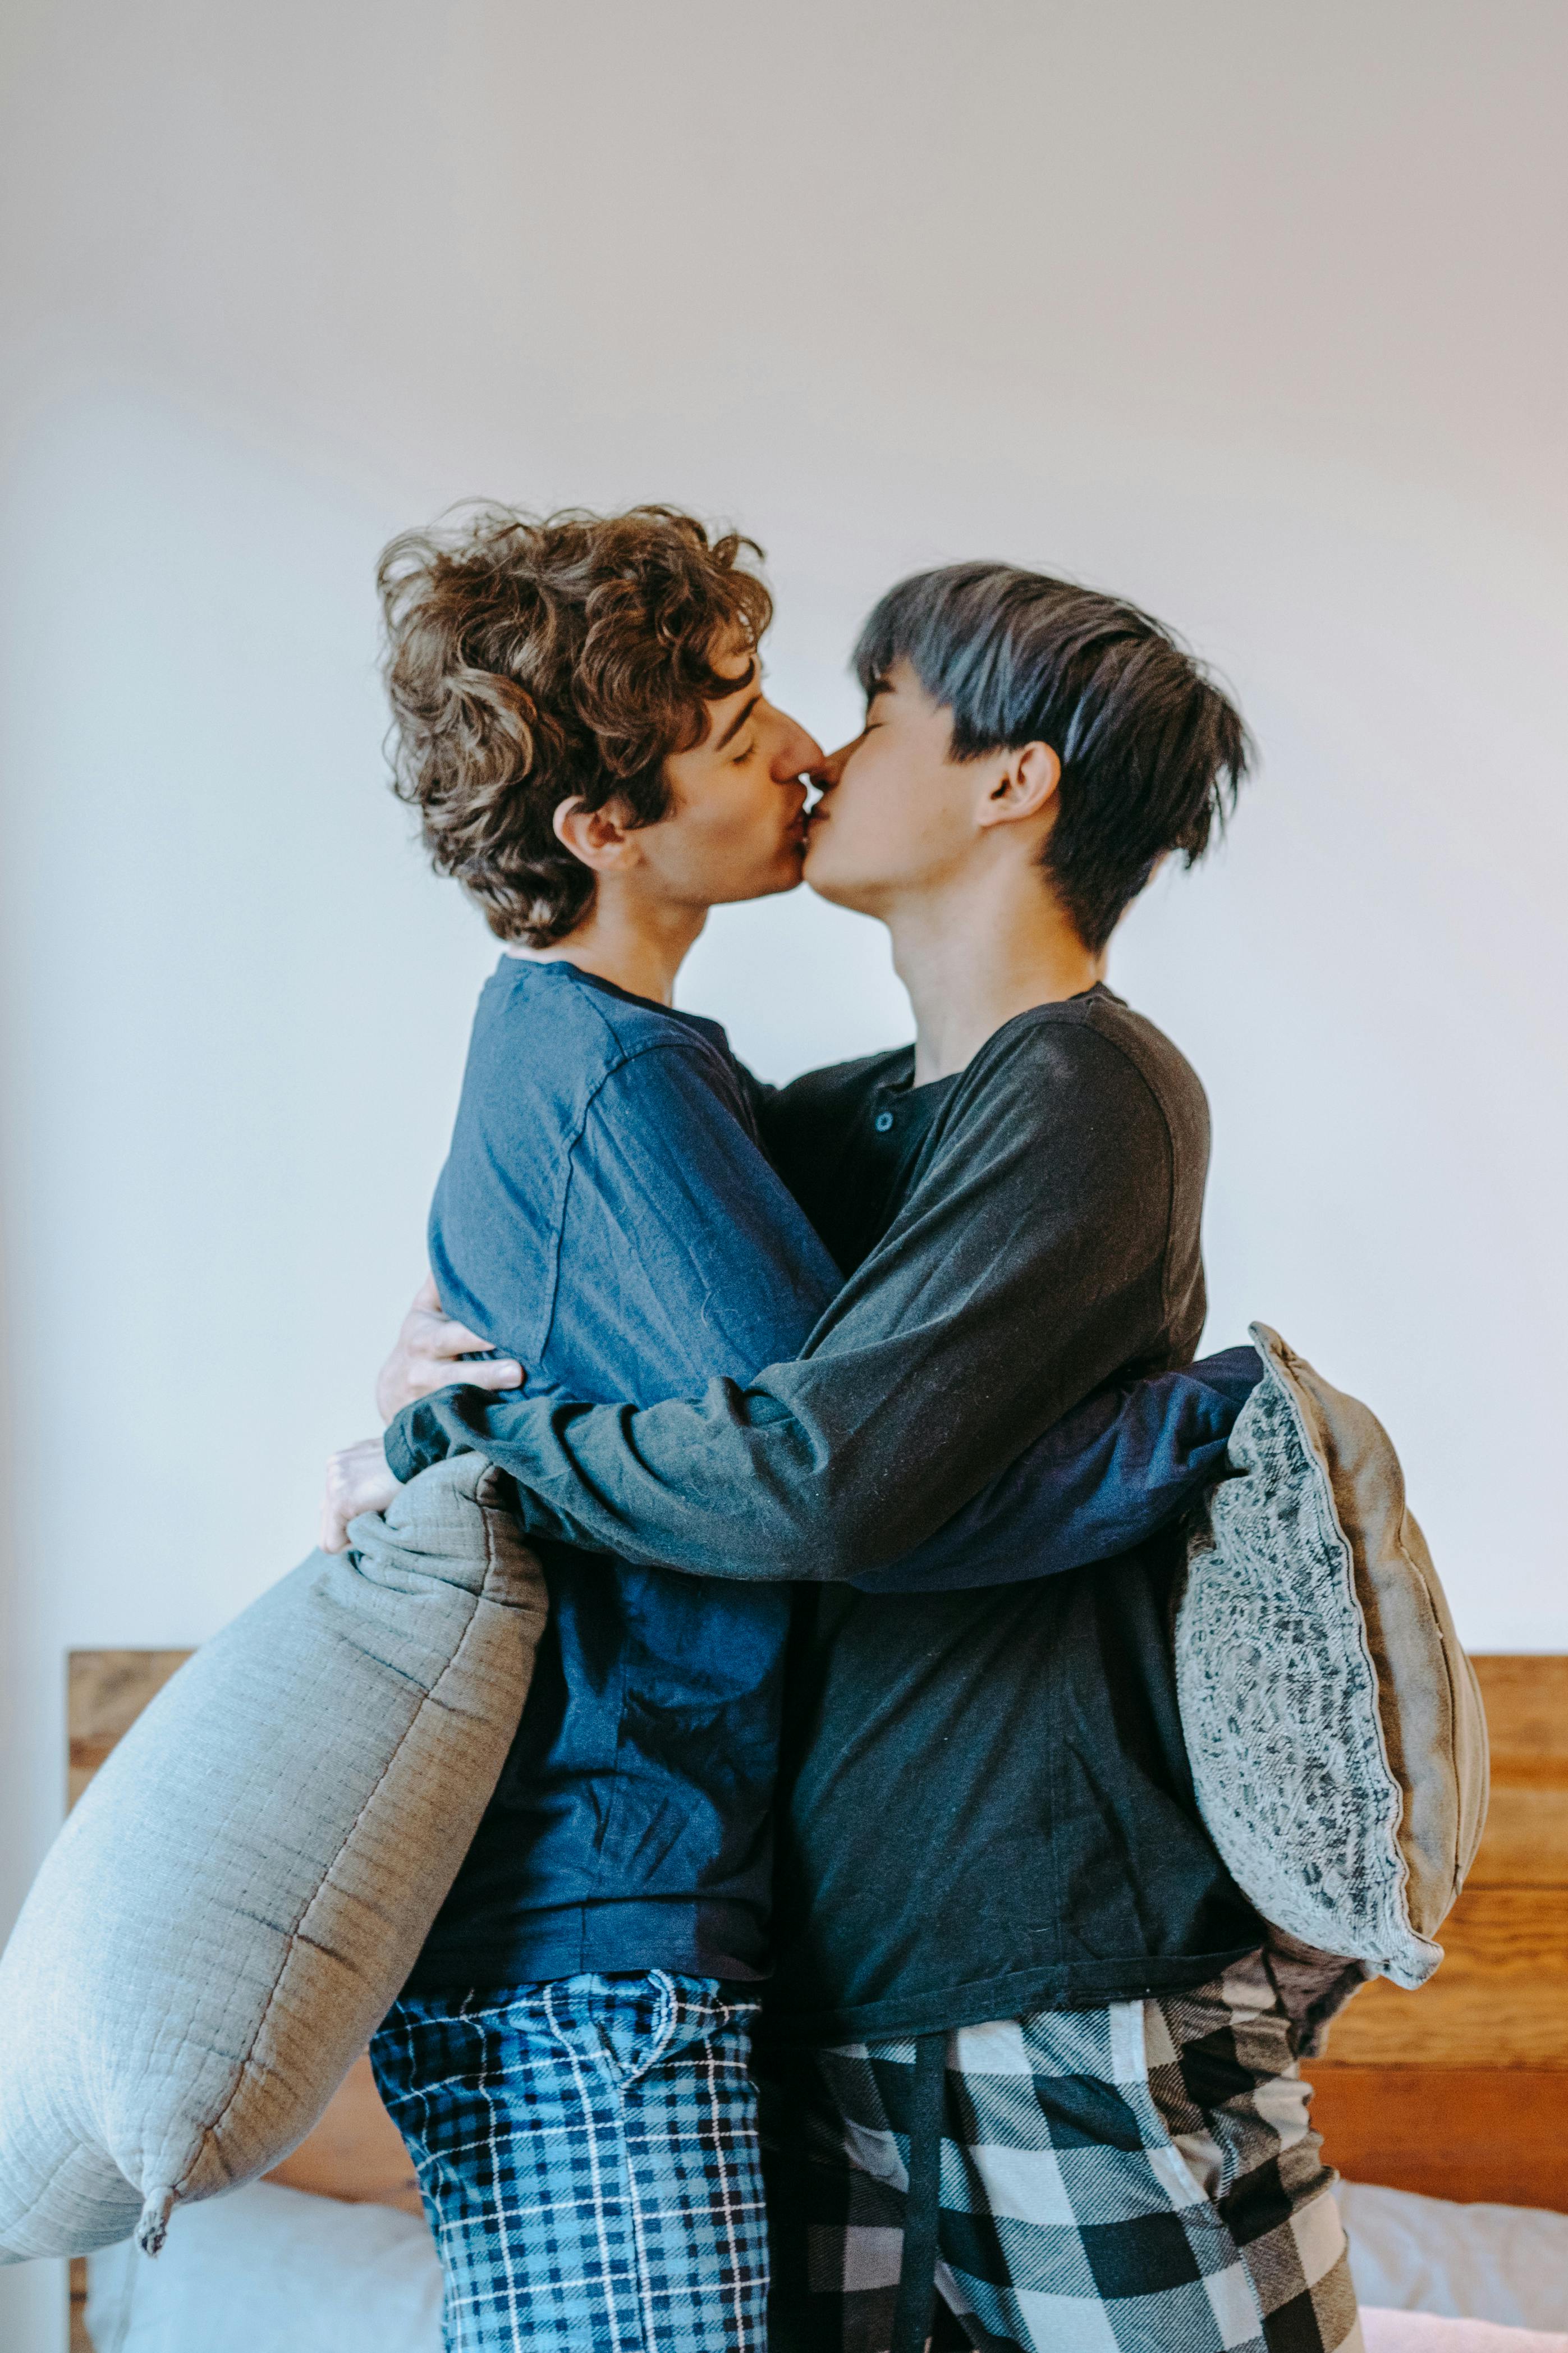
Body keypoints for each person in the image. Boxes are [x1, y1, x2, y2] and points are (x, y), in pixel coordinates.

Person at [328, 521, 1356, 2352]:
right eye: (776, 718)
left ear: (1011, 784)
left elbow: (829, 1485)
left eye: (879, 704)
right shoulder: (818, 1120)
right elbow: (707, 1403)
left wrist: (484, 1447)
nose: (817, 746)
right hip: (816, 1983)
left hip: (1056, 1956)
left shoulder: (1085, 1088)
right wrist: (431, 1431)